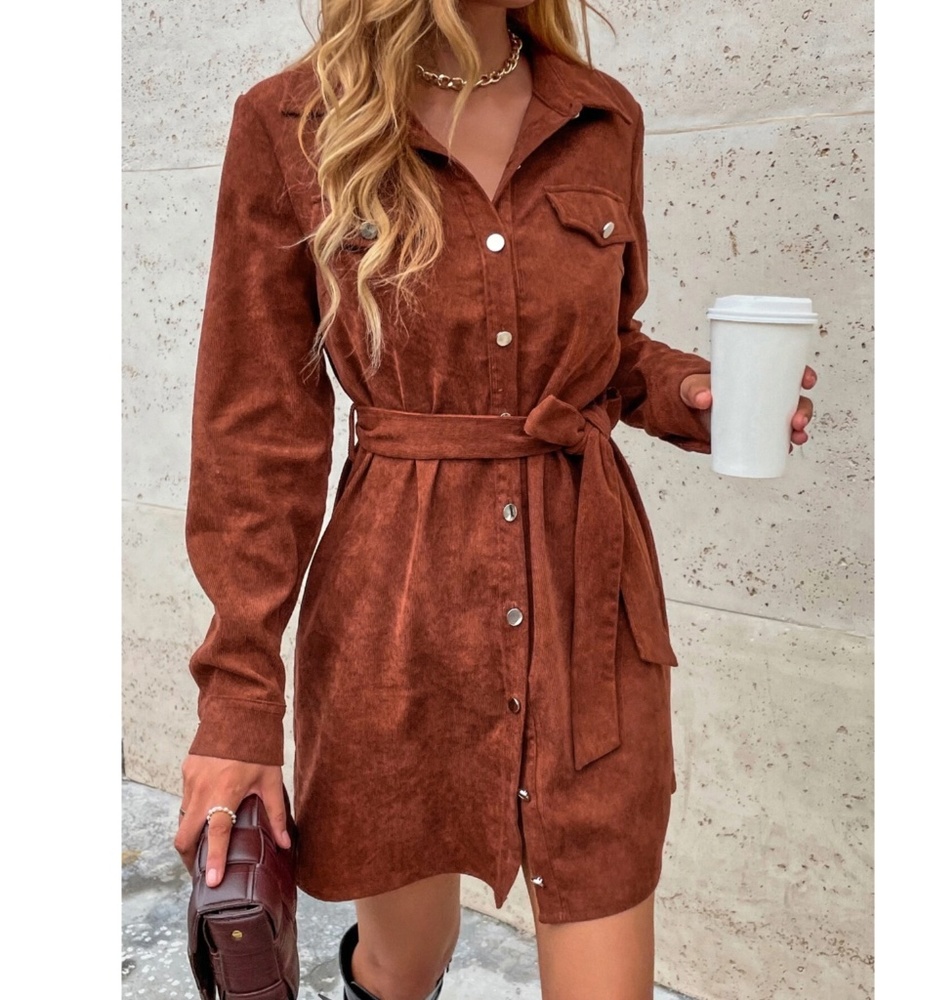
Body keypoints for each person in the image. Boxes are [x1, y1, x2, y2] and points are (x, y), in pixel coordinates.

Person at [173, 1, 817, 998]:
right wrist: (237, 704)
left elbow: (606, 349)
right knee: (404, 959)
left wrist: (690, 389)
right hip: (398, 615)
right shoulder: (291, 123)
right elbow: (254, 433)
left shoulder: (602, 116)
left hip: (585, 604)